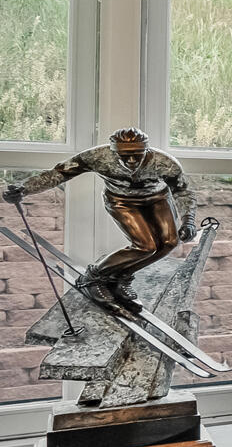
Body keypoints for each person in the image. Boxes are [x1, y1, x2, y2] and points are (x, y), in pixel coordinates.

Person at [3, 128, 195, 315]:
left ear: (147, 150)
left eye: (137, 154)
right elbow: (58, 173)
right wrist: (24, 188)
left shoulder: (165, 163)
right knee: (145, 246)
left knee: (169, 243)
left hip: (157, 199)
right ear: (113, 152)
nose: (130, 160)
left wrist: (188, 220)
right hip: (122, 201)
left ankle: (120, 278)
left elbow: (182, 191)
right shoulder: (98, 157)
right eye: (123, 155)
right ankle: (93, 277)